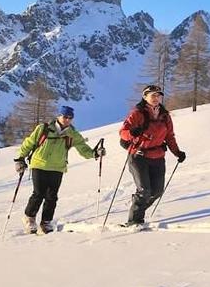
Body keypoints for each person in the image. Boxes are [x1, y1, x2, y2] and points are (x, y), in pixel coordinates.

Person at [14, 105, 104, 233]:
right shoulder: (43, 129)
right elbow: (29, 142)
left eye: (70, 118)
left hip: (58, 167)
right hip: (39, 164)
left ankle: (46, 222)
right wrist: (20, 158)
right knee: (38, 193)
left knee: (52, 196)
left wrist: (95, 153)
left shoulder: (72, 134)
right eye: (65, 116)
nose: (67, 120)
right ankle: (30, 218)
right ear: (59, 116)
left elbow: (83, 149)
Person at [119, 84, 186, 226]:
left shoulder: (165, 115)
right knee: (144, 190)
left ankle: (137, 205)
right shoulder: (137, 113)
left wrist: (177, 152)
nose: (156, 98)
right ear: (145, 97)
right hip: (138, 156)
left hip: (157, 157)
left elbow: (169, 136)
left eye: (158, 95)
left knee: (157, 191)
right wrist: (132, 133)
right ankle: (134, 221)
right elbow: (122, 132)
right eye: (153, 95)